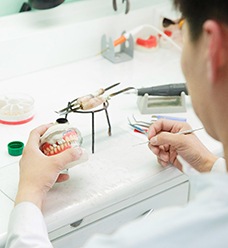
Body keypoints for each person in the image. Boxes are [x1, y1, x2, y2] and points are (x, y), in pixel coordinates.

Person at [5, 0, 228, 247]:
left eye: (183, 30)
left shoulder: (159, 238)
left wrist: (28, 192)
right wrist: (208, 164)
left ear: (213, 48)